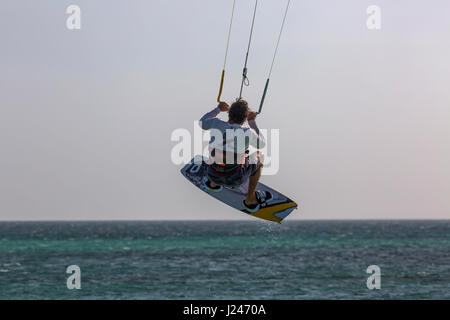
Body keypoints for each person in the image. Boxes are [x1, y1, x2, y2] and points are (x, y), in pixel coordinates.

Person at [199, 99, 272, 212]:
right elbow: (262, 143)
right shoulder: (247, 132)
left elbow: (202, 122)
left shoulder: (216, 123)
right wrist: (252, 122)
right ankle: (250, 199)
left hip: (212, 174)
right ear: (244, 118)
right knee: (259, 155)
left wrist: (218, 109)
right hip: (235, 180)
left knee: (218, 152)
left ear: (228, 114)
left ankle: (213, 184)